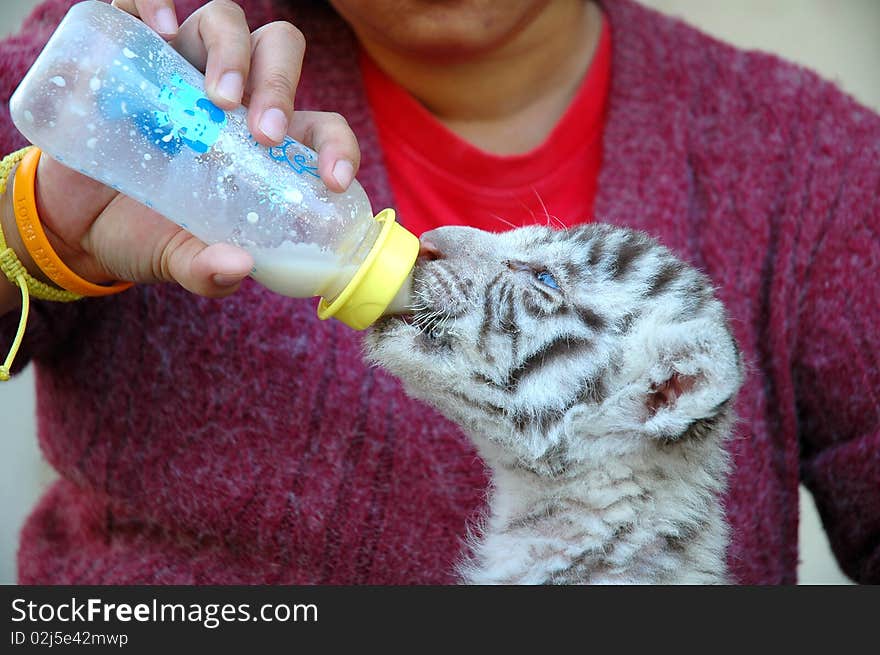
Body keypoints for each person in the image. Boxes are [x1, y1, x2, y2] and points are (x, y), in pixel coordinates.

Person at [0, 0, 877, 584]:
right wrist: (35, 224)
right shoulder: (158, 62)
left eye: (537, 274)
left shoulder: (819, 167)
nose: (445, 240)